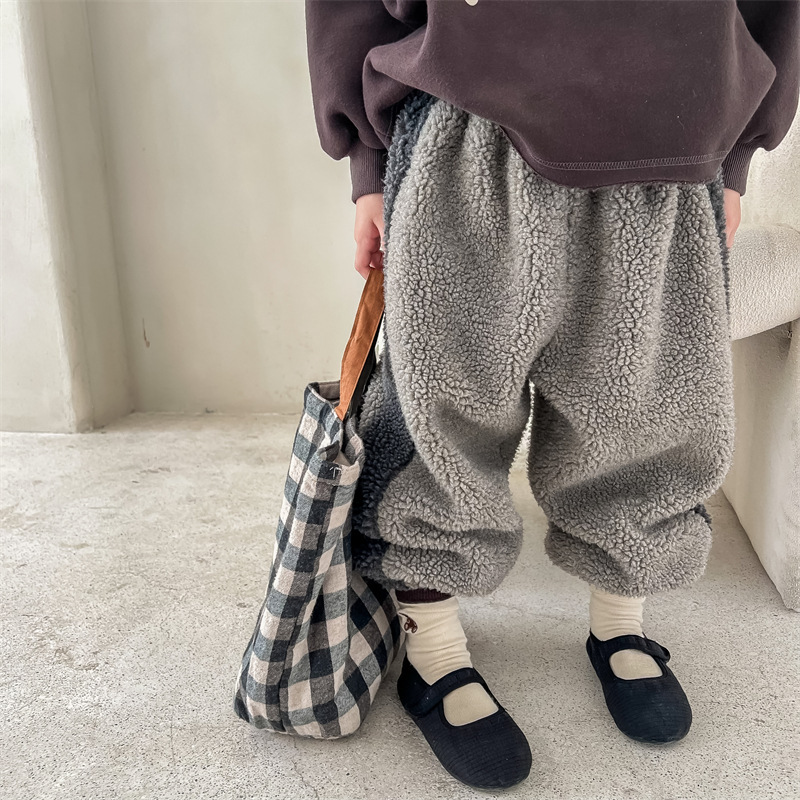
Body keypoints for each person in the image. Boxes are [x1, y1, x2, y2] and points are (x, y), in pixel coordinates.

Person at [304, 0, 800, 791]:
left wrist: (736, 155)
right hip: (467, 127)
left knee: (651, 410)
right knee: (441, 411)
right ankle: (434, 647)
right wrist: (368, 165)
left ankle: (621, 625)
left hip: (668, 140)